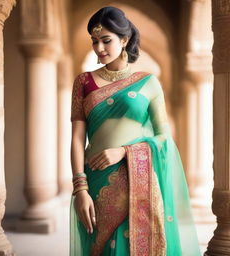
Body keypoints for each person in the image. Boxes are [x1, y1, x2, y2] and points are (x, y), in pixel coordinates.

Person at [70, 6, 201, 256]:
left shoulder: (148, 82)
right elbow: (77, 139)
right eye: (94, 41)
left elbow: (163, 137)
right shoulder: (83, 82)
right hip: (95, 182)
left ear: (124, 39)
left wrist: (123, 151)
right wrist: (80, 188)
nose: (99, 48)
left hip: (136, 181)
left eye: (106, 40)